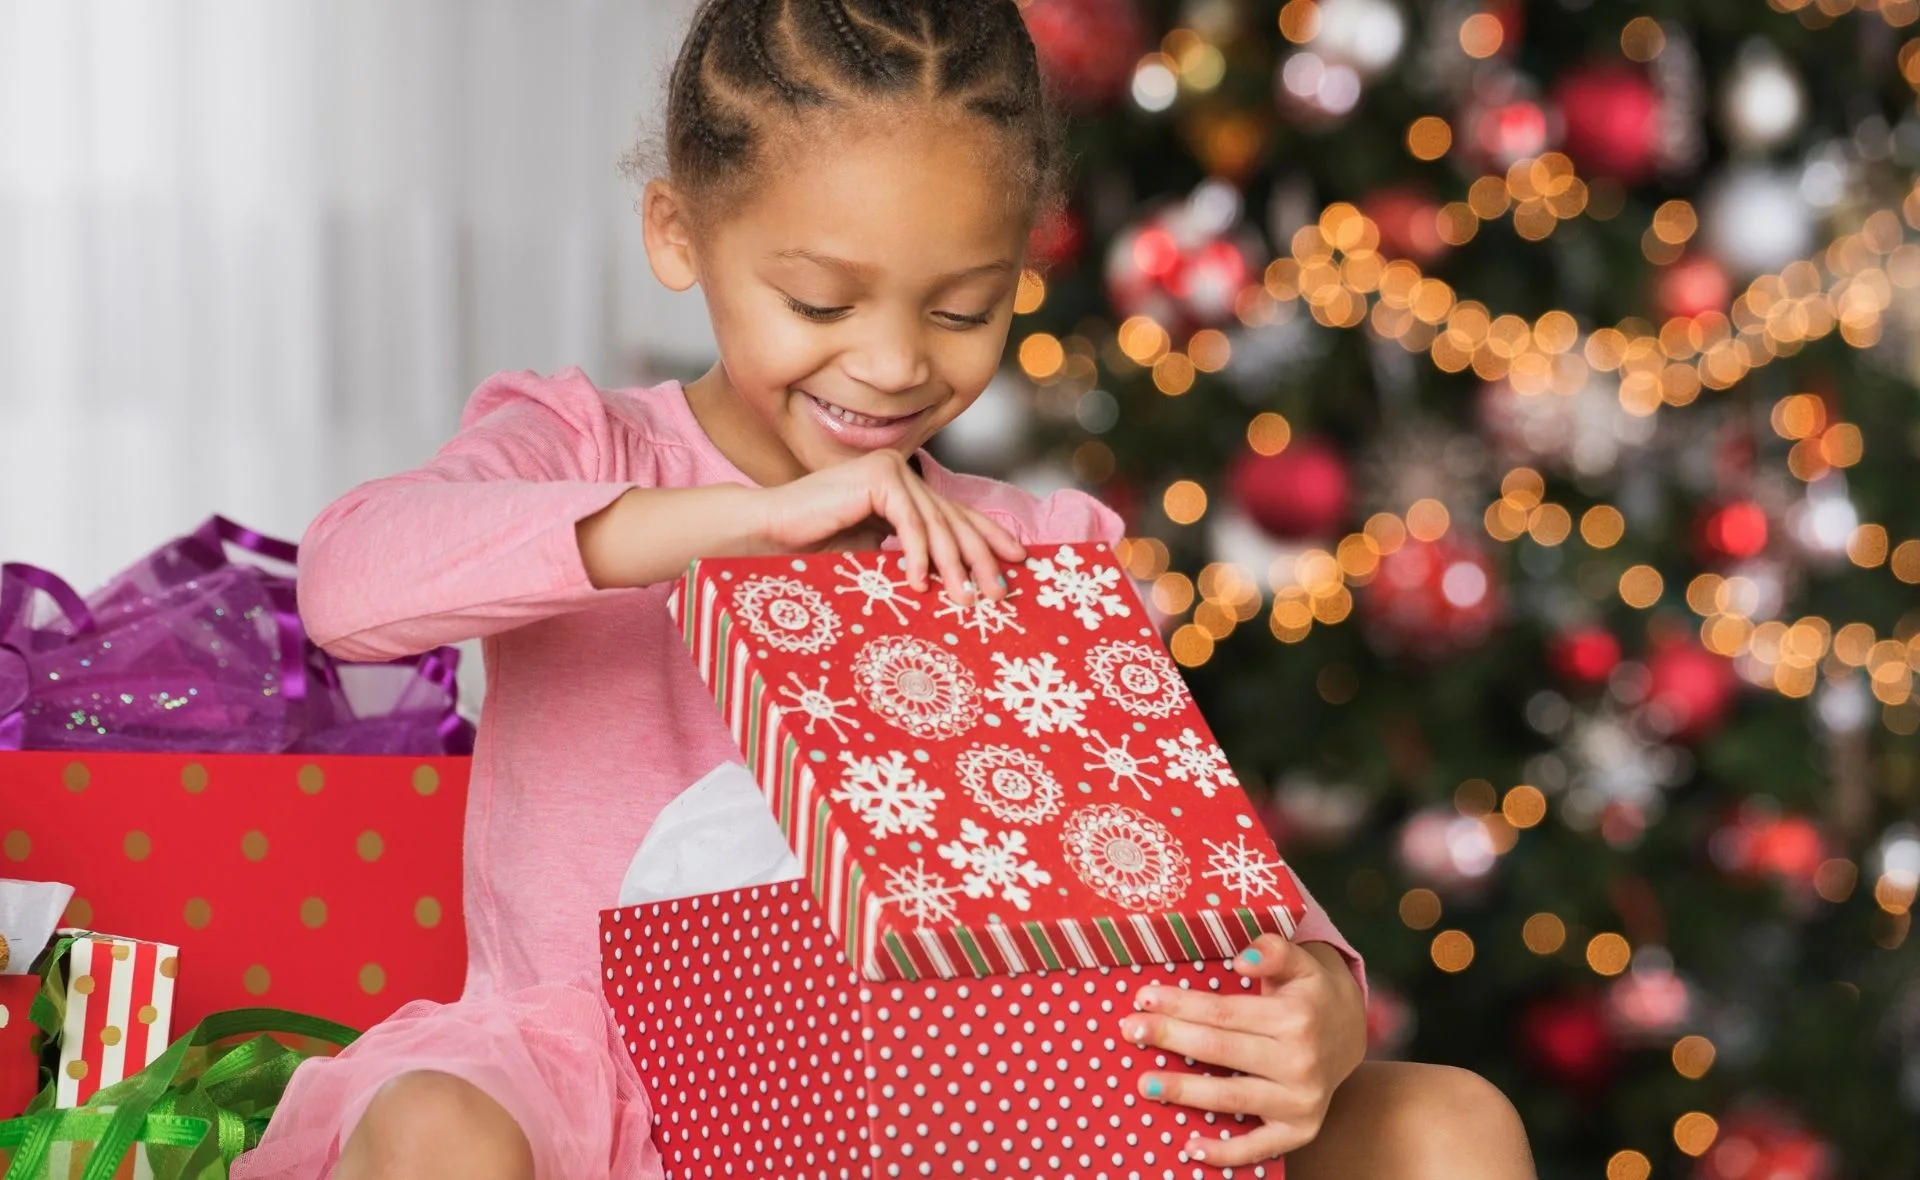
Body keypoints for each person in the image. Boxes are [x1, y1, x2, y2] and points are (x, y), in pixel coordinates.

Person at [235, 2, 1534, 1177]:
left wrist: (1318, 995)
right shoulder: (583, 453)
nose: (896, 362)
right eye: (817, 300)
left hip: (954, 1094)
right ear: (678, 232)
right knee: (431, 1131)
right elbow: (352, 581)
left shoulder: (1033, 544)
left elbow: (1194, 869)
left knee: (1448, 1123)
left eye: (965, 311)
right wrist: (734, 525)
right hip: (599, 1103)